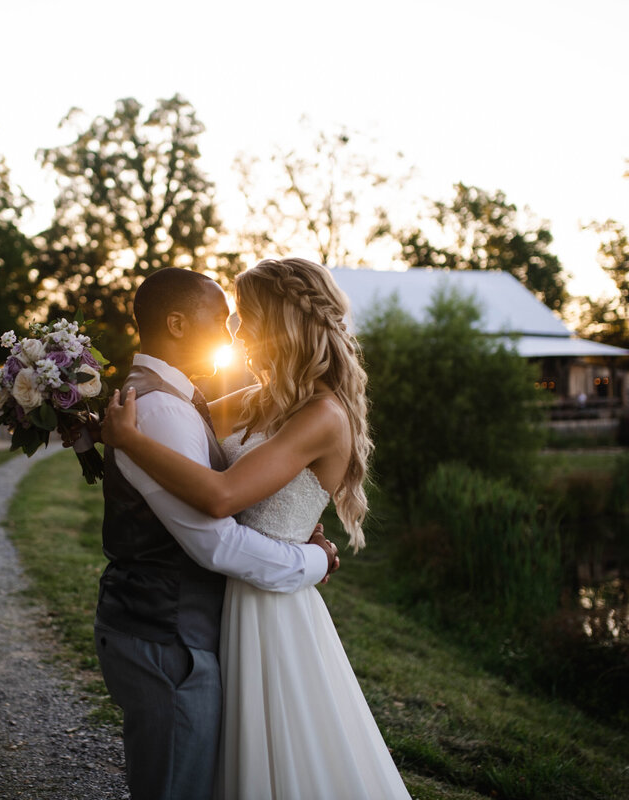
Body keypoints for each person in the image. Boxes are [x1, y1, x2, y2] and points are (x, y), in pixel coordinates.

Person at [103, 257, 411, 799]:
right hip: (224, 603)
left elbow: (221, 495)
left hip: (273, 605)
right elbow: (176, 415)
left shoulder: (322, 415)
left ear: (283, 322)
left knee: (282, 758)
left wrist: (130, 442)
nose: (235, 331)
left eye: (245, 316)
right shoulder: (257, 401)